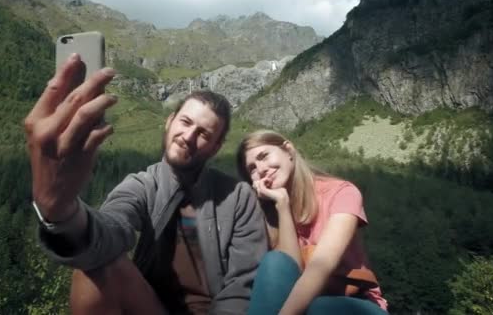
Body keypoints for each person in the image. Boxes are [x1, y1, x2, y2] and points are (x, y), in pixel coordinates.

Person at [24, 53, 268, 314]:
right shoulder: (142, 185)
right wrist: (59, 211)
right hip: (149, 306)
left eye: (204, 134)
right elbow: (112, 227)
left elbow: (242, 285)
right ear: (169, 121)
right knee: (95, 265)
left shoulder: (238, 197)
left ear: (216, 147)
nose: (188, 136)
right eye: (185, 122)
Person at [236, 130, 388, 314]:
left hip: (355, 304)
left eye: (264, 156)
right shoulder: (266, 213)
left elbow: (321, 267)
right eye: (252, 168)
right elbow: (289, 269)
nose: (261, 169)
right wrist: (282, 205)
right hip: (304, 306)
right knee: (275, 261)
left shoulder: (341, 193)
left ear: (289, 150)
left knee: (317, 308)